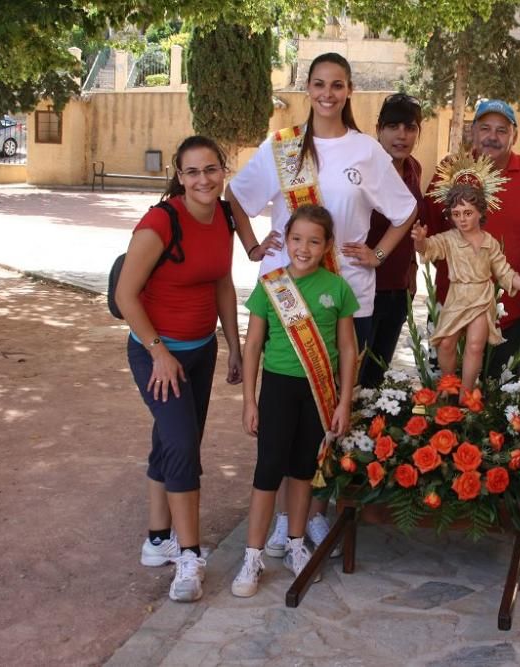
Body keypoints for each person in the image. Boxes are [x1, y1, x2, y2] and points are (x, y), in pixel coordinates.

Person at [225, 52, 418, 558]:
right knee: (286, 407)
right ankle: (283, 517)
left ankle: (312, 515)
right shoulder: (283, 145)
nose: (327, 93)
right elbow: (236, 197)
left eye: (337, 85)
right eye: (318, 84)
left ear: (349, 90)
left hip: (345, 292)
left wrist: (377, 253)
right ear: (307, 89)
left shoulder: (366, 150)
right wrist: (252, 248)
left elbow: (404, 210)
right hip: (289, 296)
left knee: (332, 410)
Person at [115, 135, 242, 603]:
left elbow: (223, 283)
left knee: (171, 440)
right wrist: (159, 351)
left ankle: (156, 541)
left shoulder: (224, 216)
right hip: (156, 355)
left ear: (222, 170)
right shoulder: (160, 221)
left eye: (211, 169)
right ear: (179, 175)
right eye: (192, 172)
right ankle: (188, 556)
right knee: (184, 445)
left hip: (201, 350)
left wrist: (234, 344)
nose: (203, 179)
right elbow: (125, 295)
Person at [231, 205, 358, 597]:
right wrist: (249, 401)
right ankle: (252, 556)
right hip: (278, 388)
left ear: (327, 246)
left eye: (314, 241)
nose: (304, 248)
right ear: (286, 241)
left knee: (304, 469)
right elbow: (253, 345)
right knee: (268, 470)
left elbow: (348, 349)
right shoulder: (271, 285)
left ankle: (295, 543)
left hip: (318, 393)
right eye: (297, 239)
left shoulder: (337, 288)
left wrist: (344, 402)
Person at [424, 99, 520, 380]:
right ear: (473, 132)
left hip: (509, 316)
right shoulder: (449, 173)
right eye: (485, 128)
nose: (492, 136)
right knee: (443, 402)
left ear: (514, 135)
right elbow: (431, 230)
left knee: (498, 411)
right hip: (452, 308)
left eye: (502, 130)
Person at [413, 176, 520, 391]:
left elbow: (505, 272)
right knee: (446, 344)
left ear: (480, 212)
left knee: (475, 346)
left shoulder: (489, 242)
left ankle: (467, 392)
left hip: (481, 297)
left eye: (468, 213)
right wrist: (419, 240)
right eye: (456, 214)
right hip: (456, 296)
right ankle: (449, 386)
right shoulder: (448, 239)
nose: (462, 219)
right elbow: (428, 248)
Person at [358, 93, 426, 388]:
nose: (402, 135)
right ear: (378, 129)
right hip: (363, 289)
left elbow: (411, 221)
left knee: (377, 373)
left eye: (410, 128)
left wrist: (411, 265)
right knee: (353, 374)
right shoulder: (363, 170)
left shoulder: (414, 168)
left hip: (399, 292)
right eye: (393, 126)